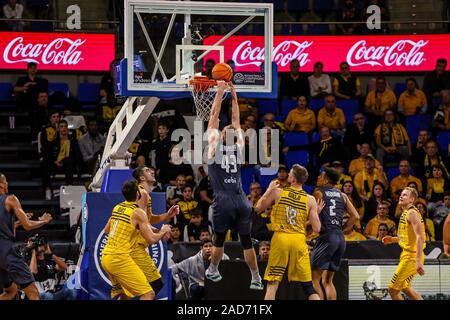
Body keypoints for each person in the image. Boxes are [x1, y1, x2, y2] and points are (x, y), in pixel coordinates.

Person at [204, 80, 263, 290]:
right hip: (241, 199)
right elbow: (237, 120)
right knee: (246, 241)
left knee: (219, 239)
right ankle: (256, 277)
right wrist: (234, 94)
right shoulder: (238, 147)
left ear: (221, 135)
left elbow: (213, 117)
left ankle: (213, 269)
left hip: (223, 199)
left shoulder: (213, 147)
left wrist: (220, 93)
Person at [255, 164, 322, 300]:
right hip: (298, 240)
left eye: (290, 174)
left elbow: (257, 208)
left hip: (281, 238)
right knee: (308, 287)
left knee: (273, 283)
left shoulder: (277, 192)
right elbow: (317, 229)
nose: (288, 175)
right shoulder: (311, 200)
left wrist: (268, 190)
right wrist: (315, 213)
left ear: (294, 179)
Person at [101, 179, 171, 300]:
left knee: (125, 295)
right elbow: (151, 240)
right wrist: (163, 230)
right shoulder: (138, 213)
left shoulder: (117, 207)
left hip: (106, 257)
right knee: (148, 294)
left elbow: (106, 231)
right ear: (138, 194)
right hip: (119, 258)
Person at [0, 173, 53, 300]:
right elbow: (28, 226)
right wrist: (44, 221)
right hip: (7, 252)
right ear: (1, 185)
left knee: (11, 291)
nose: (7, 184)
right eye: (6, 182)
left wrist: (15, 223)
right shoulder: (10, 199)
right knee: (33, 293)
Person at [311, 167, 360, 300]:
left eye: (320, 176)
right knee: (327, 281)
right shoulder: (342, 195)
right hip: (339, 237)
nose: (318, 178)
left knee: (314, 279)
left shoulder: (318, 193)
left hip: (326, 237)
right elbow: (355, 216)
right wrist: (342, 229)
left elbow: (311, 218)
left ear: (326, 179)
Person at [131, 166, 180, 296]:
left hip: (137, 247)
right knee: (155, 286)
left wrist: (167, 215)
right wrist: (162, 231)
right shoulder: (142, 193)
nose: (152, 171)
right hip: (135, 247)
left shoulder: (144, 194)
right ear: (141, 178)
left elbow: (149, 219)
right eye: (147, 171)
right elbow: (142, 223)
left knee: (130, 292)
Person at [382, 187, 426, 300]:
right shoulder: (405, 213)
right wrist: (393, 239)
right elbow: (407, 237)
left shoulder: (412, 213)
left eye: (405, 195)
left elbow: (420, 237)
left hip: (412, 257)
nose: (401, 196)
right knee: (405, 287)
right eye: (401, 194)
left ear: (412, 200)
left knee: (392, 289)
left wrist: (417, 261)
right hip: (407, 255)